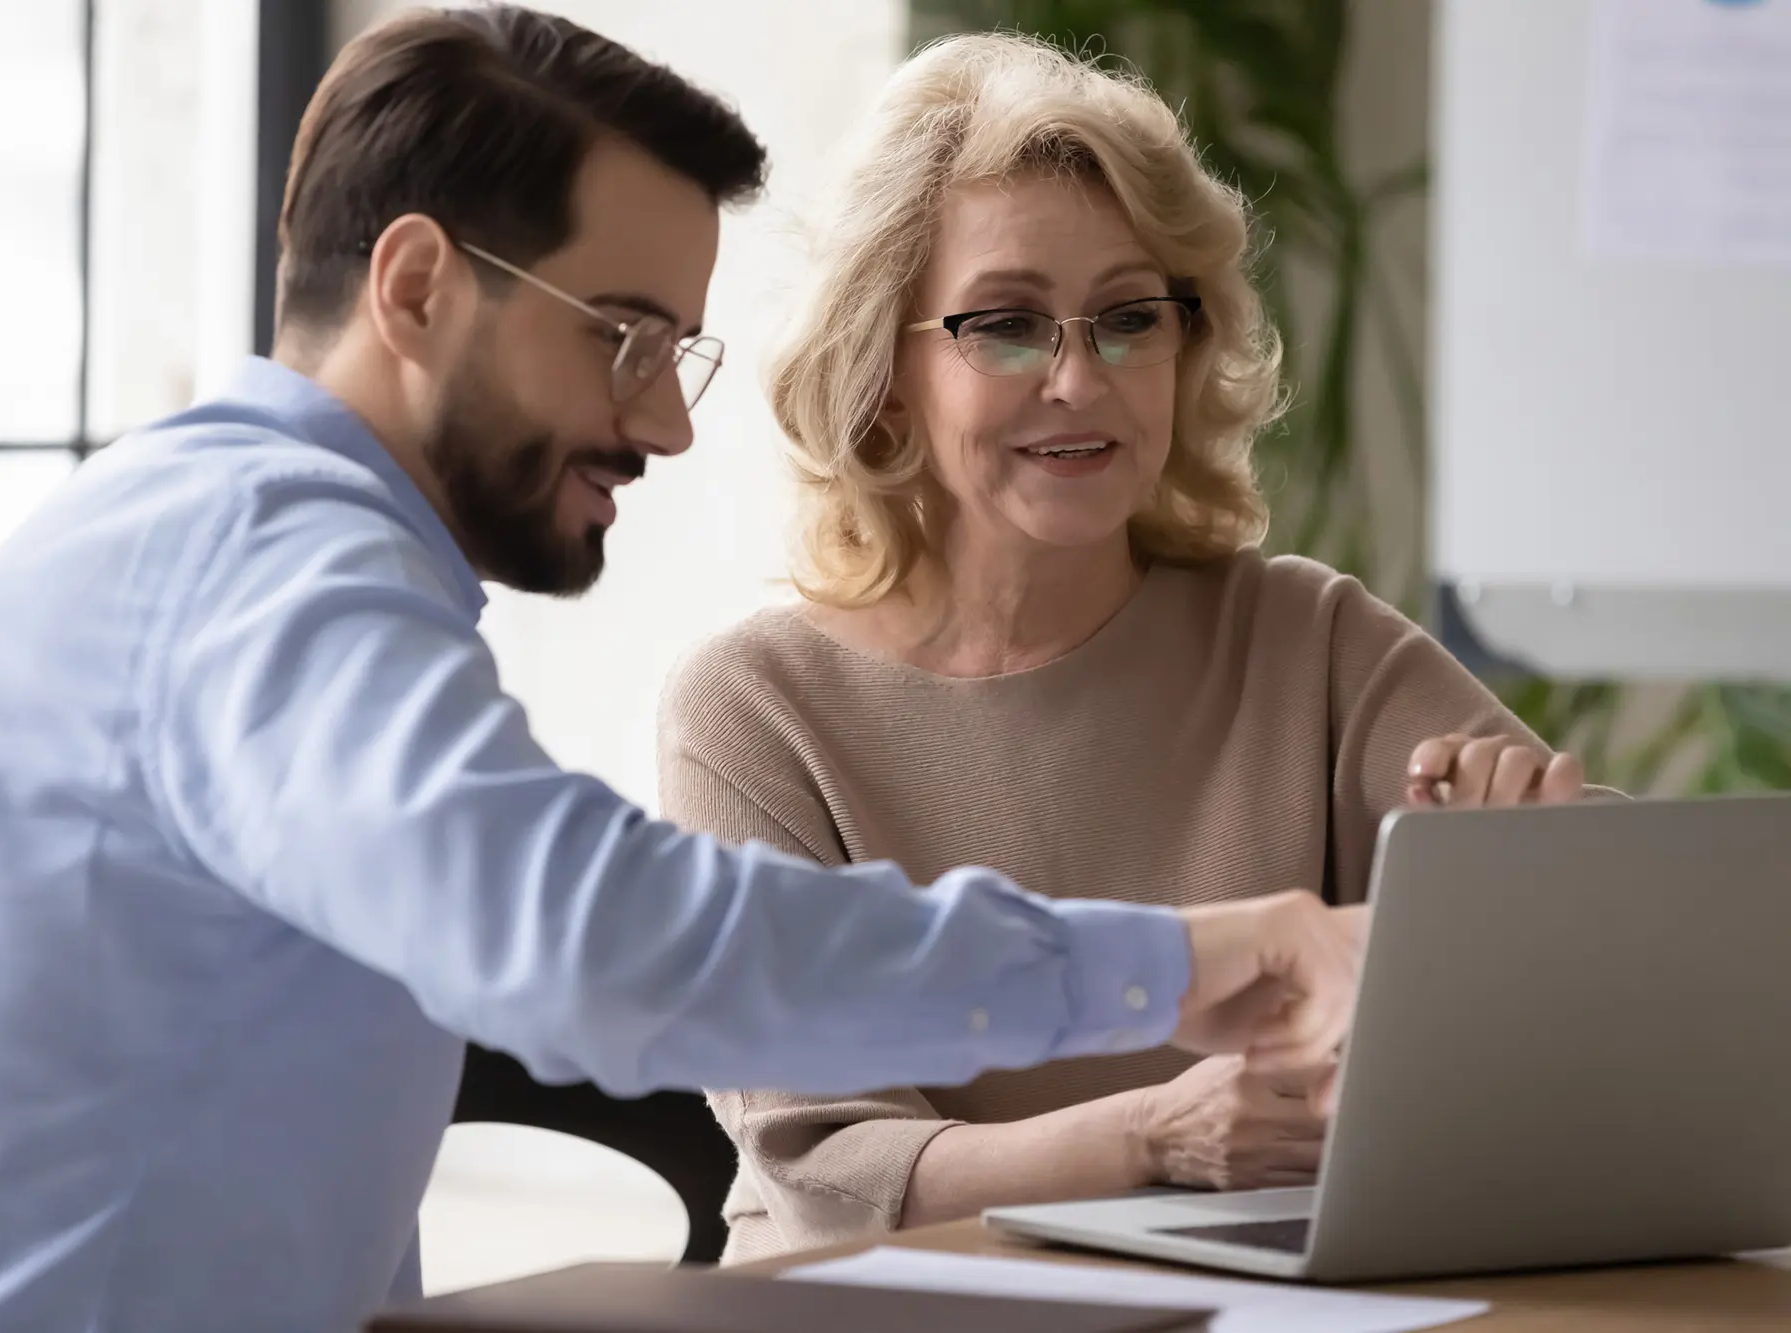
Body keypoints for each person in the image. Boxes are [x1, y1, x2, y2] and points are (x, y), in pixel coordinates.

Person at [0, 9, 1366, 1332]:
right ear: (416, 289)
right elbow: (603, 945)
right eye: (619, 335)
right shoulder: (262, 568)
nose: (667, 423)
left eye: (675, 350)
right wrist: (1192, 960)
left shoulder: (209, 535)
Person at [656, 30, 1594, 1264]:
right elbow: (827, 1167)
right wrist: (1155, 1136)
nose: (1077, 378)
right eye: (1005, 323)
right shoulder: (756, 708)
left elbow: (1638, 956)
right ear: (883, 370)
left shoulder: (1306, 638)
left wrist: (1526, 880)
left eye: (1125, 318)